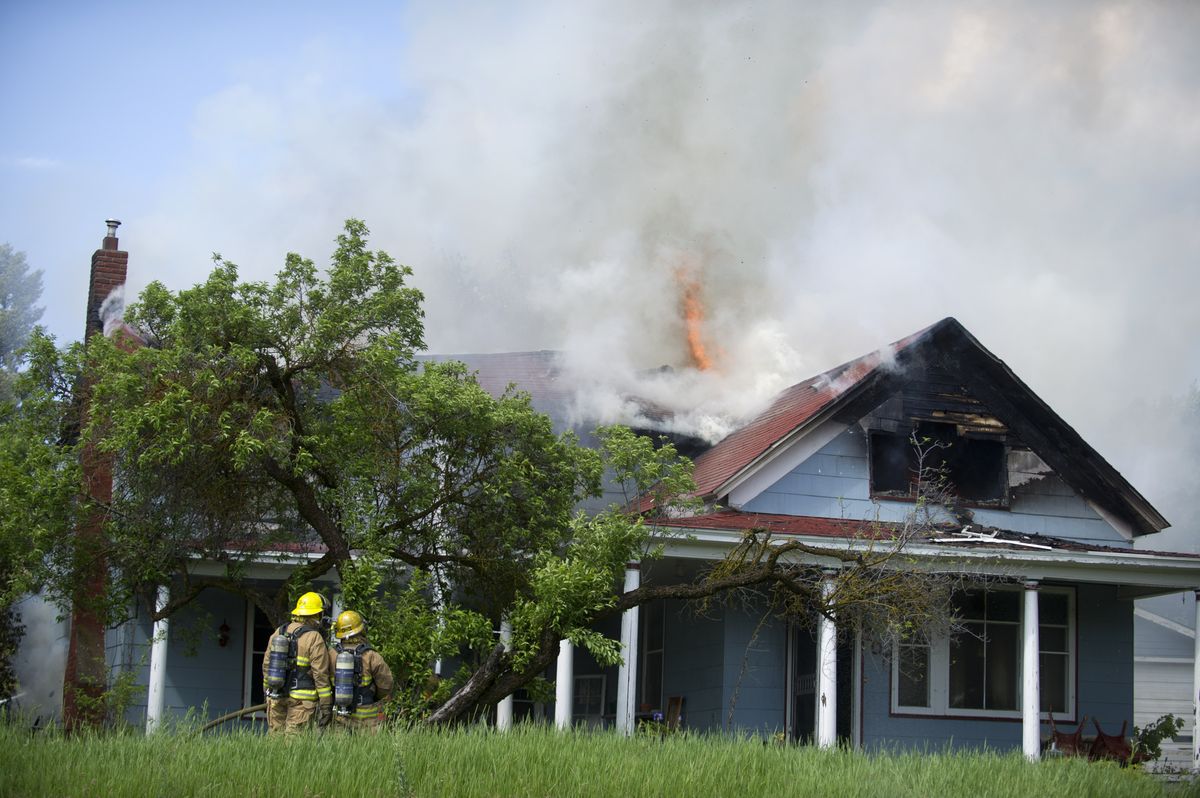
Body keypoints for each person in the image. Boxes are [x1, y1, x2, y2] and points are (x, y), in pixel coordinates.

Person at [262, 591, 333, 734]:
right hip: (302, 702)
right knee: (293, 746)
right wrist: (326, 705)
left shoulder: (279, 632)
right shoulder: (314, 637)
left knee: (274, 743)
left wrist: (267, 694)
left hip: (276, 697)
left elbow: (267, 666)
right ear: (316, 615)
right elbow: (320, 674)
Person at [329, 609, 394, 732]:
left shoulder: (331, 654)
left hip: (339, 714)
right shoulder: (371, 655)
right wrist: (374, 695)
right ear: (360, 630)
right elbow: (386, 685)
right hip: (367, 717)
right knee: (368, 750)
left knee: (337, 750)